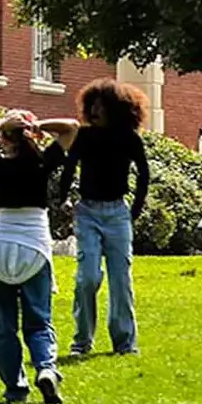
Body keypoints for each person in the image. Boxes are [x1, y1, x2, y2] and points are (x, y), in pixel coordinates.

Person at [0, 111, 76, 404]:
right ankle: (46, 368)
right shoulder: (41, 162)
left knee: (2, 325)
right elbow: (71, 127)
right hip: (33, 246)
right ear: (31, 136)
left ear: (3, 138)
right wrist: (39, 124)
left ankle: (15, 388)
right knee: (38, 321)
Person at [59, 77, 149, 359]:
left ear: (114, 108)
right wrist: (63, 198)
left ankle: (124, 343)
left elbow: (144, 173)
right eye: (92, 106)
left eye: (101, 106)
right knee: (87, 277)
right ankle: (81, 341)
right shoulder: (85, 137)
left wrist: (134, 209)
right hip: (87, 212)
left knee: (120, 279)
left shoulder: (129, 138)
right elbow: (69, 166)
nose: (95, 111)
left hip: (117, 213)